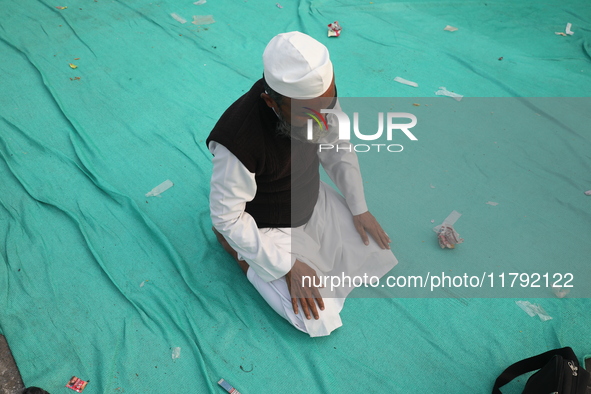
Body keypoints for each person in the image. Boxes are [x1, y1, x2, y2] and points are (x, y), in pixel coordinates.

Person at [207, 31, 398, 337]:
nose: (323, 118)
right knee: (317, 320)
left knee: (376, 251)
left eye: (328, 102)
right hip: (267, 226)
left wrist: (358, 208)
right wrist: (286, 267)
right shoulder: (238, 143)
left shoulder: (317, 99)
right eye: (310, 115)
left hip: (310, 198)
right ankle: (237, 252)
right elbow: (226, 216)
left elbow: (336, 146)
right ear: (272, 102)